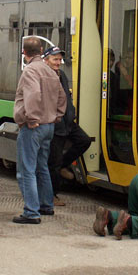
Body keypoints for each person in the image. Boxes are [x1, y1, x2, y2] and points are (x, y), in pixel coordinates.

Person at [12, 37, 66, 224]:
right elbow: (62, 96)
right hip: (49, 126)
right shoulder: (50, 70)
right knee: (42, 167)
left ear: (24, 53)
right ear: (41, 50)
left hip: (33, 127)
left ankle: (31, 212)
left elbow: (33, 94)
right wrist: (57, 115)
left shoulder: (30, 71)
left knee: (27, 170)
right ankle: (46, 205)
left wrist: (32, 118)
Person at [43, 46, 92, 206]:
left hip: (69, 123)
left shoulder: (62, 75)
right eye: (54, 59)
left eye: (59, 59)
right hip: (56, 126)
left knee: (84, 140)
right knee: (53, 163)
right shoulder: (44, 76)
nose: (58, 62)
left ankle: (65, 164)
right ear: (46, 60)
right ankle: (52, 195)